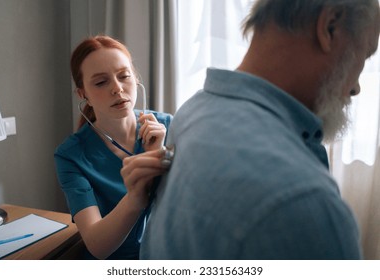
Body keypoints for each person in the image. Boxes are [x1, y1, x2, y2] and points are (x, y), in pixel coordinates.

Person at [140, 0, 380, 259]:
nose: (356, 87)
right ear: (330, 27)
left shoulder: (190, 114)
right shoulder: (303, 202)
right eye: (364, 54)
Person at [54, 35, 172, 259]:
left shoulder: (169, 127)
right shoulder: (70, 156)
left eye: (124, 76)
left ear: (135, 78)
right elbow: (98, 246)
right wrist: (135, 196)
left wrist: (160, 156)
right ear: (83, 94)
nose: (117, 89)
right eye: (101, 82)